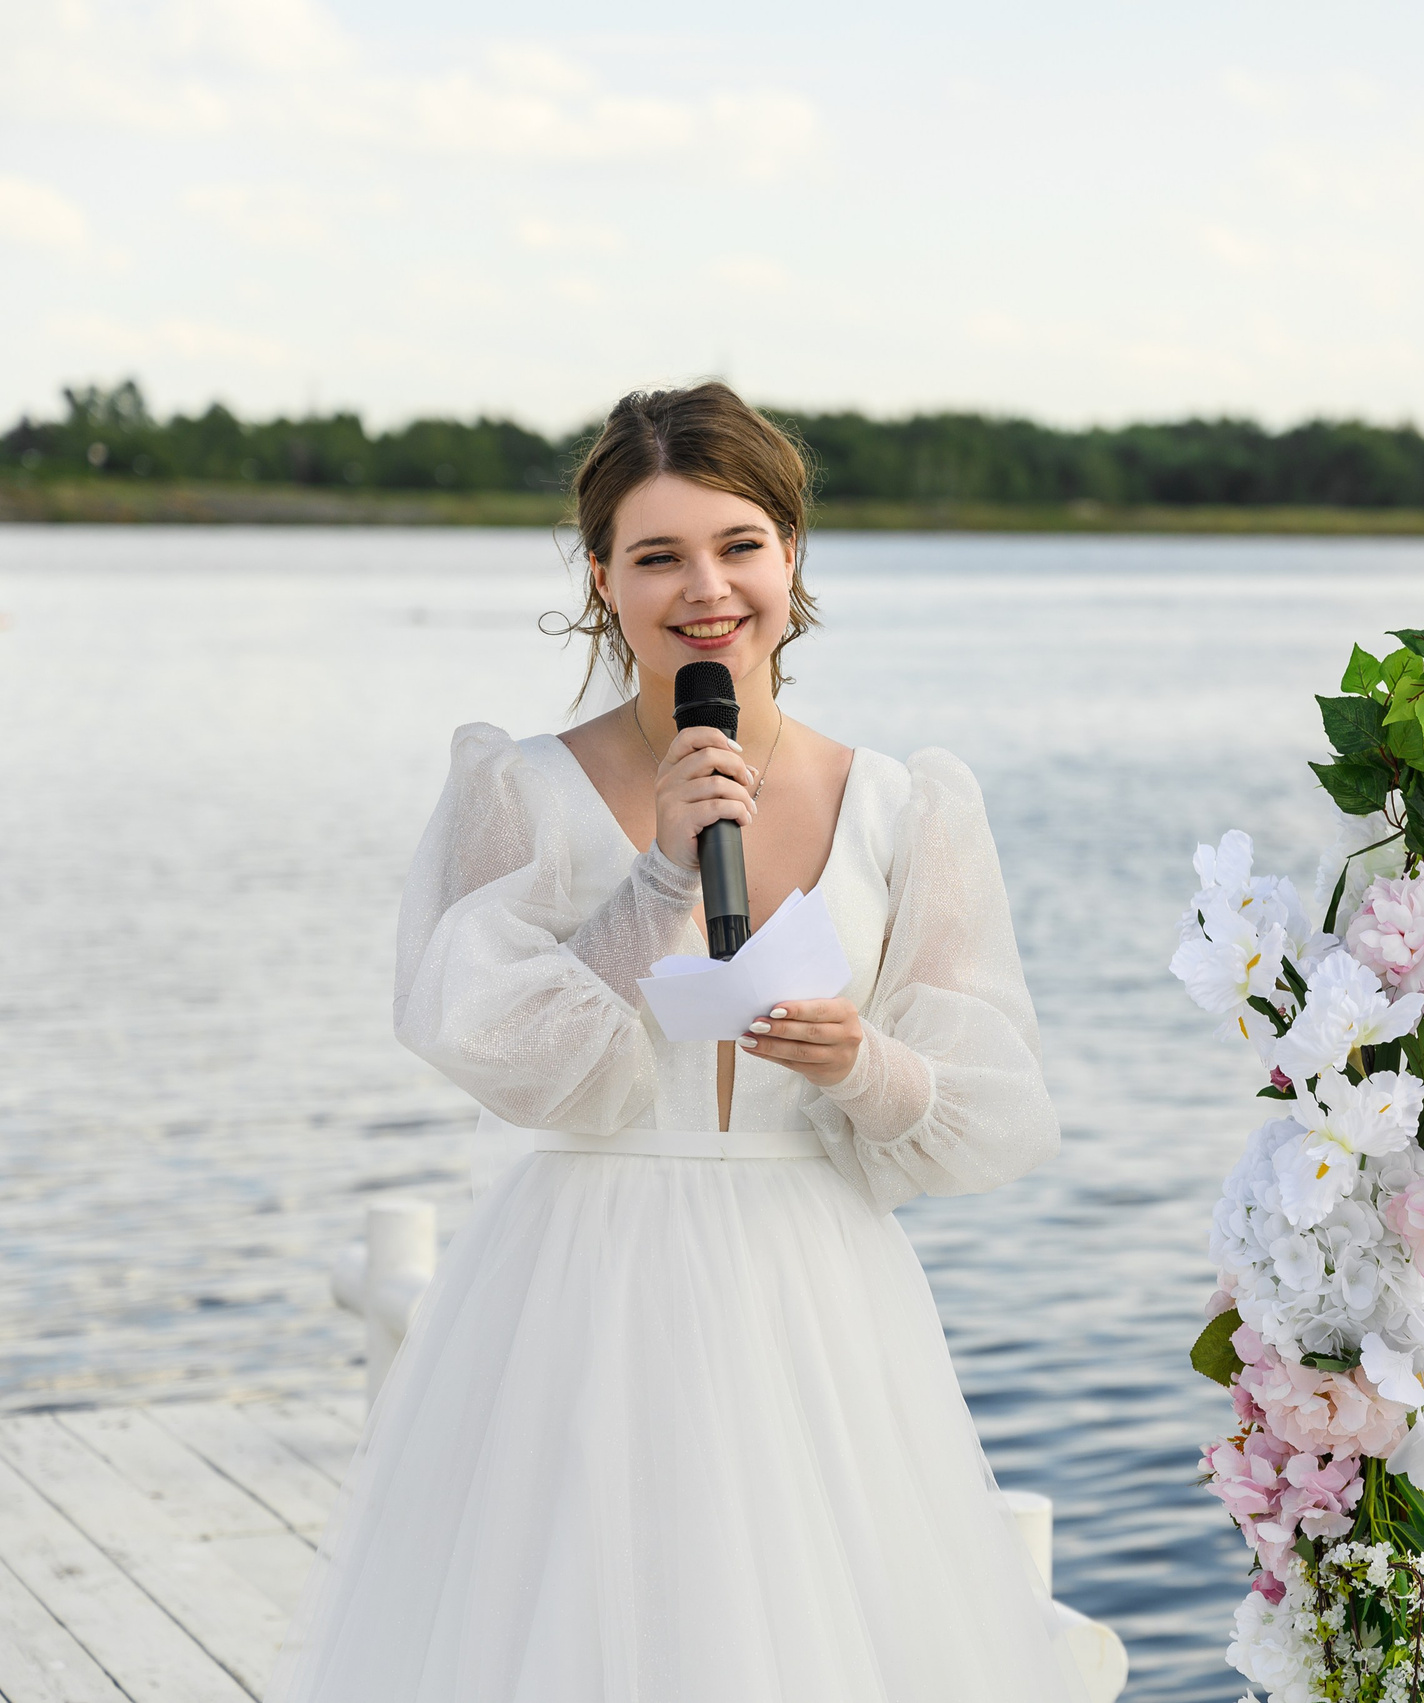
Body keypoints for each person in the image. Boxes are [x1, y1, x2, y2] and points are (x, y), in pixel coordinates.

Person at [271, 382, 1081, 1701]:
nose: (705, 588)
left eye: (738, 545)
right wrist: (652, 888)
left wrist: (859, 1062)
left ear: (790, 556)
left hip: (810, 1285)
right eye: (657, 556)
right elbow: (481, 1032)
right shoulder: (515, 789)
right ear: (602, 578)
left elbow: (991, 1090)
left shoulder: (901, 803)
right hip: (581, 1284)